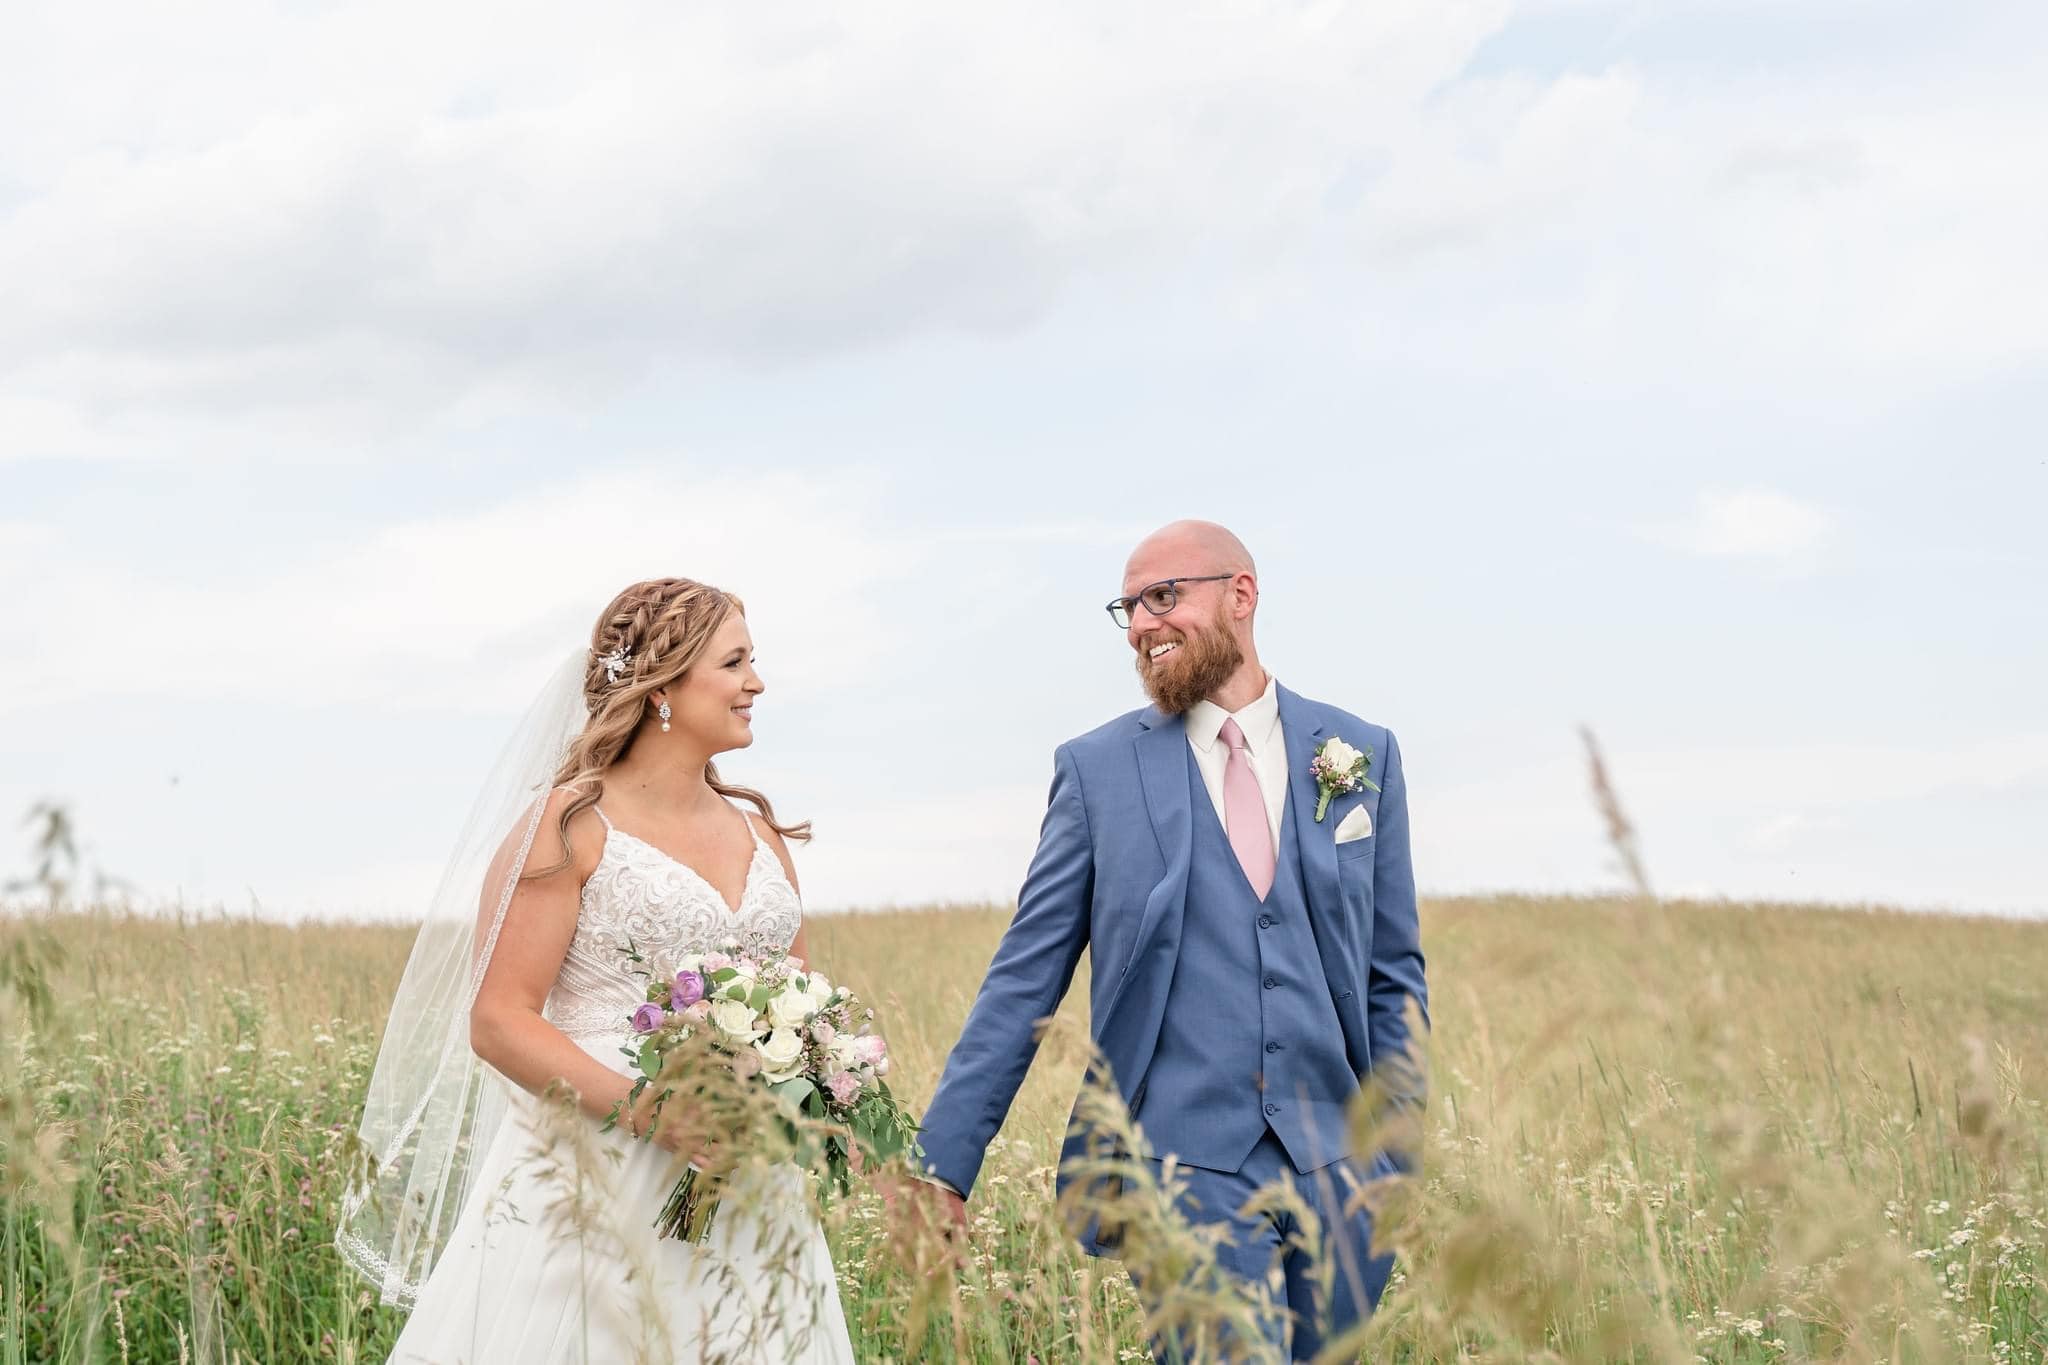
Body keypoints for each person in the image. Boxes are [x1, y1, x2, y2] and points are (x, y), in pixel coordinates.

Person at [914, 521, 1428, 1360]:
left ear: (1241, 594)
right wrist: (945, 1159)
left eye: (1164, 596)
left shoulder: (1360, 752)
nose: (1144, 624)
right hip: (1185, 1167)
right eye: (1130, 608)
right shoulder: (1097, 770)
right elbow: (1024, 979)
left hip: (1343, 1172)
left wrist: (1397, 1156)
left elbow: (1393, 974)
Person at [340, 577, 854, 1364]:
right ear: (664, 687)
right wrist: (654, 1113)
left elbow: (801, 1005)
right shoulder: (572, 824)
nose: (757, 682)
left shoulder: (763, 835)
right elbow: (498, 1018)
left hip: (751, 1187)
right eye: (735, 662)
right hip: (599, 1177)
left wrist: (801, 1088)